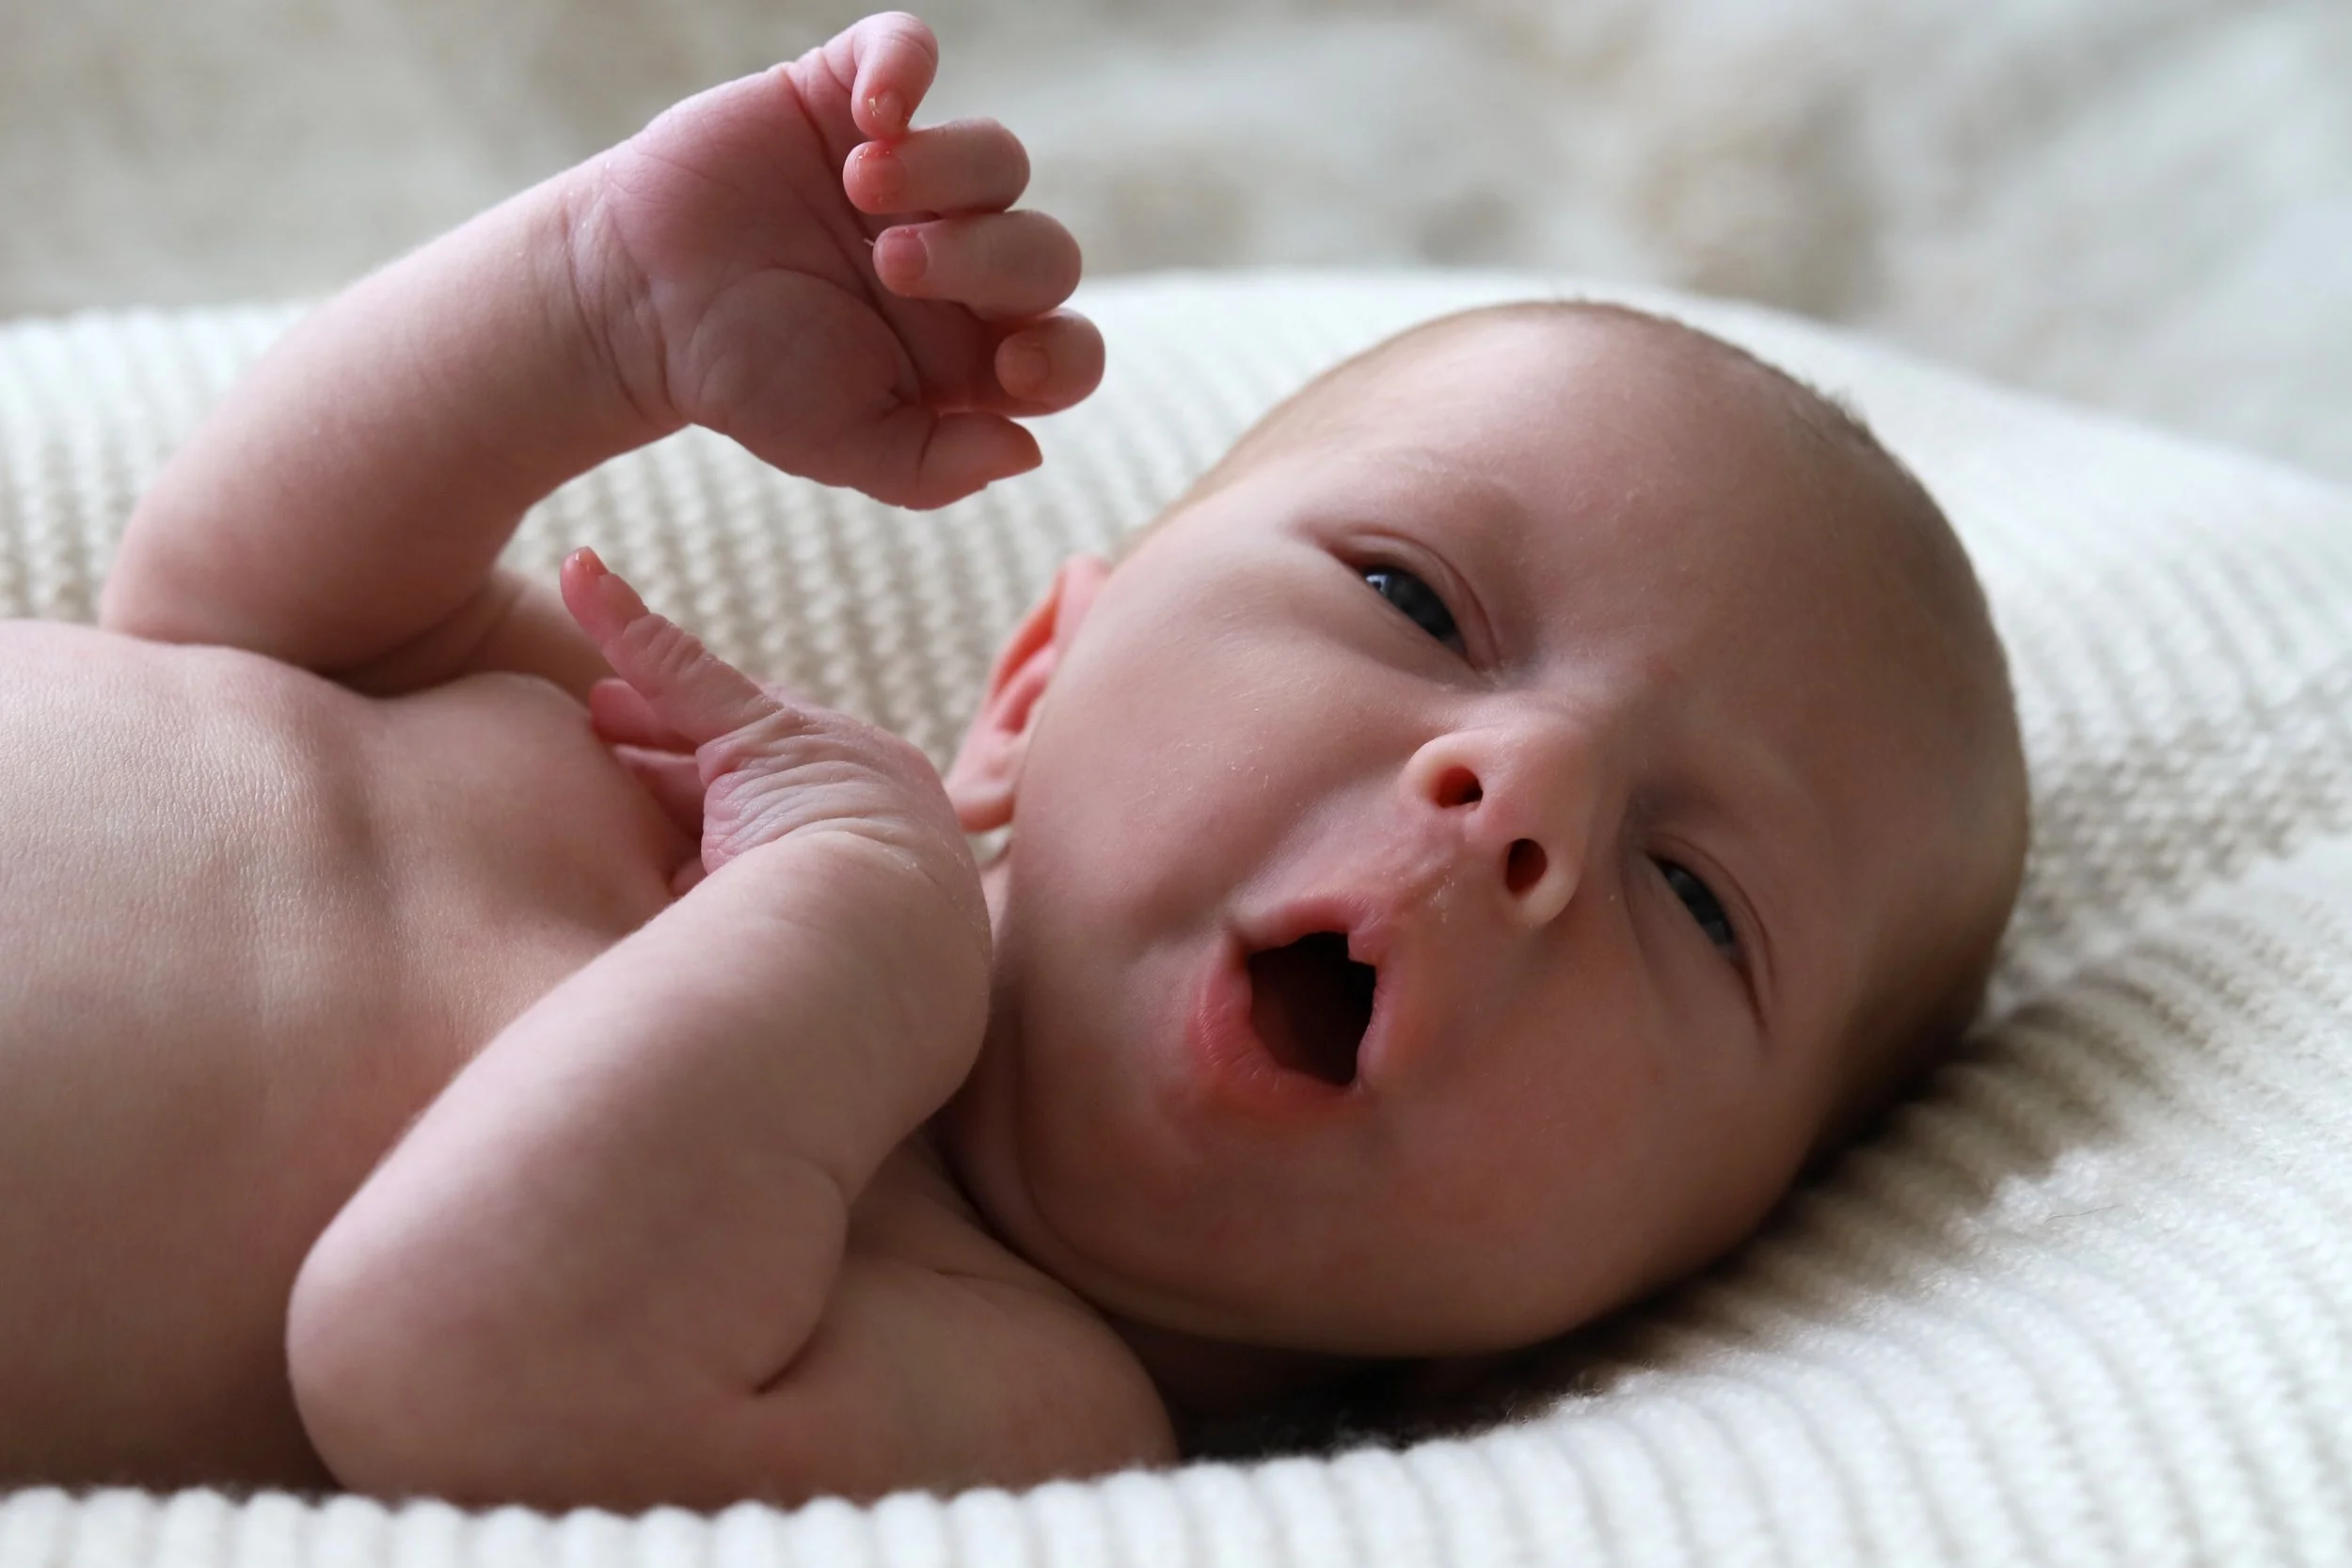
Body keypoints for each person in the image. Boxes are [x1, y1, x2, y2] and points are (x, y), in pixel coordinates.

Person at [0, 9, 2028, 1511]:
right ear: (1038, 677)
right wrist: (589, 312)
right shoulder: (706, 773)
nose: (1523, 795)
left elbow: (435, 1350)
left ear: (1659, 1271)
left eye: (1696, 899)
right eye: (1414, 602)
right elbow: (223, 603)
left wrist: (845, 918)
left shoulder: (1025, 1396)